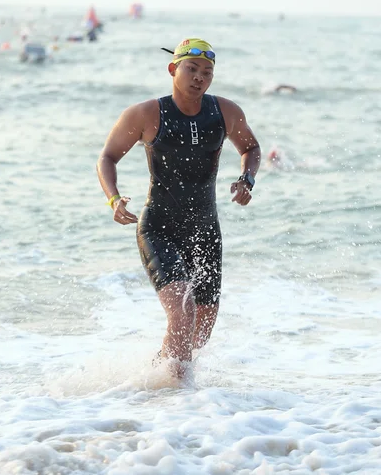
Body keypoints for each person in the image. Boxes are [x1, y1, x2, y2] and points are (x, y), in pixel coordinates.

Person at [97, 38, 261, 379]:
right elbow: (107, 157)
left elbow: (251, 147)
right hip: (158, 227)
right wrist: (114, 199)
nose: (199, 77)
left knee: (200, 331)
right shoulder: (145, 113)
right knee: (182, 312)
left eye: (207, 72)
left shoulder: (225, 112)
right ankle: (179, 400)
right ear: (173, 69)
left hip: (205, 231)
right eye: (191, 68)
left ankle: (157, 380)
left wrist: (247, 179)